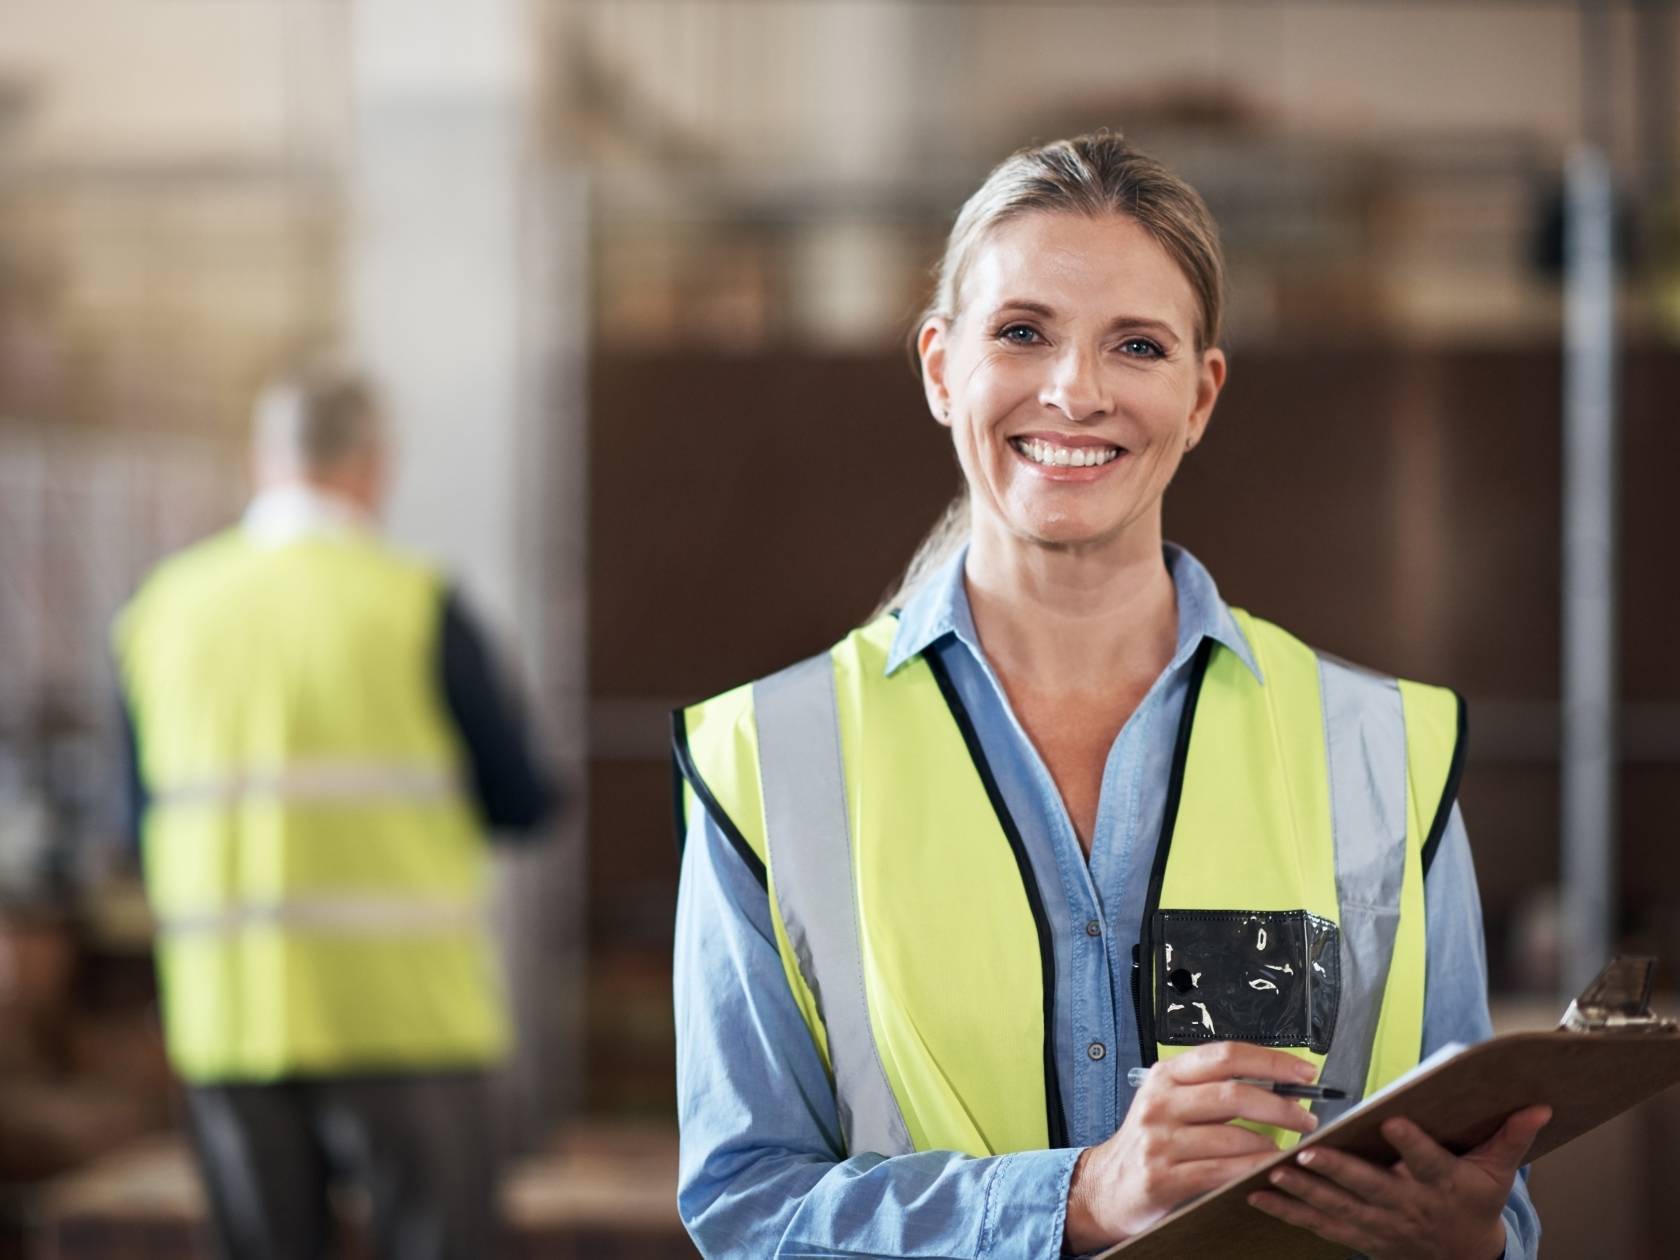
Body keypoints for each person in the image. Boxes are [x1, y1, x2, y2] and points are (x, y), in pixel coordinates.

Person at [672, 134, 1546, 1258]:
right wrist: (1075, 1201)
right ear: (942, 368)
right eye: (1023, 332)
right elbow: (746, 1208)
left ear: (1200, 394)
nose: (1075, 390)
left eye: (1136, 345)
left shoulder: (1382, 746)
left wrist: (1472, 1240)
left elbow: (1487, 1203)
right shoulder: (769, 754)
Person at [114, 362, 555, 1260]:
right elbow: (522, 801)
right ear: (371, 464)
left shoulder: (160, 614)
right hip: (403, 1015)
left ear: (260, 462)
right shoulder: (417, 605)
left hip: (230, 1015)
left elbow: (134, 828)